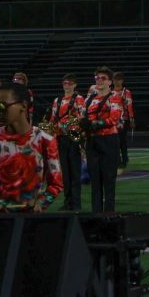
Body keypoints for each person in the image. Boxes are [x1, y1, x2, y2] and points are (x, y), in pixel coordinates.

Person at [0, 81, 63, 211]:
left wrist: (41, 203)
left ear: (23, 105)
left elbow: (56, 184)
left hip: (29, 217)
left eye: (2, 106)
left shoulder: (45, 140)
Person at [82, 66, 124, 212]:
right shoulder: (89, 99)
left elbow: (114, 118)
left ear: (110, 82)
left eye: (103, 78)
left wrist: (93, 124)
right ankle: (96, 214)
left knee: (108, 180)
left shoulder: (115, 97)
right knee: (95, 182)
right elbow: (83, 117)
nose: (99, 81)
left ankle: (109, 214)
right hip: (92, 141)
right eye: (97, 78)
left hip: (109, 140)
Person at [48, 74, 86, 210]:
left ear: (75, 85)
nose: (67, 86)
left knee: (75, 171)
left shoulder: (79, 99)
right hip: (60, 138)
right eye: (65, 83)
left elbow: (83, 116)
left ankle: (76, 203)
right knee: (65, 173)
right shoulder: (57, 100)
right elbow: (53, 119)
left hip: (73, 137)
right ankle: (67, 202)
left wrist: (72, 126)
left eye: (70, 83)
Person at [112, 72, 135, 172]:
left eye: (119, 79)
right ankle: (117, 160)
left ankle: (124, 158)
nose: (117, 81)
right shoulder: (110, 92)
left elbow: (129, 106)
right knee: (114, 141)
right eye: (115, 79)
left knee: (122, 141)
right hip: (112, 120)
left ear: (122, 80)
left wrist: (131, 119)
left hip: (123, 119)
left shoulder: (126, 92)